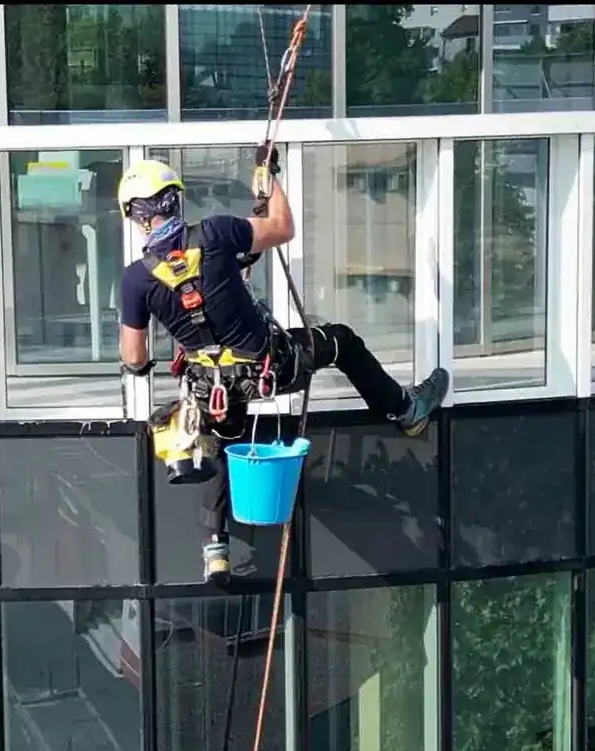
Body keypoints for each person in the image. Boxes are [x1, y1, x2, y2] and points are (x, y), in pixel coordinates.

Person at [116, 146, 451, 583]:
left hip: (211, 388)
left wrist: (143, 368)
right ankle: (406, 411)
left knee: (219, 440)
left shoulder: (135, 279)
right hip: (273, 370)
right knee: (341, 342)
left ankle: (215, 551)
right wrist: (268, 178)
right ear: (173, 200)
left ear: (136, 216)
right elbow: (282, 227)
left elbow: (133, 355)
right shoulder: (217, 233)